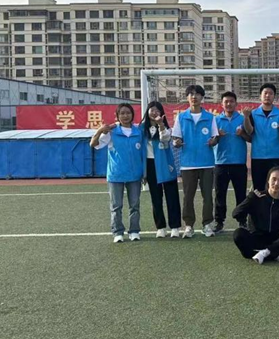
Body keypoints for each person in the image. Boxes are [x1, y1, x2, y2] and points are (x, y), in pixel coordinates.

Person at [90, 103, 145, 243]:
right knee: (116, 206)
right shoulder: (112, 132)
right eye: (122, 113)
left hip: (135, 175)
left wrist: (144, 172)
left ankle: (134, 231)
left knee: (135, 205)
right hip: (116, 174)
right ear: (117, 116)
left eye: (128, 113)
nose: (125, 116)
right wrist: (100, 130)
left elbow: (143, 153)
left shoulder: (138, 132)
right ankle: (118, 232)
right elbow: (94, 144)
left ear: (133, 115)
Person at [173, 84, 220, 238]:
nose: (194, 97)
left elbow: (215, 137)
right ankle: (189, 225)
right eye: (191, 94)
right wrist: (177, 142)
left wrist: (213, 141)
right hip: (187, 164)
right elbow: (176, 138)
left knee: (208, 196)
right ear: (187, 98)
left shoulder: (210, 117)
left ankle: (207, 224)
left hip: (207, 163)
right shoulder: (181, 117)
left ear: (202, 97)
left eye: (197, 94)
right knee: (188, 197)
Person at [232, 166, 279, 264]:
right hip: (256, 238)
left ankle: (266, 252)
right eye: (273, 179)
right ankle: (274, 253)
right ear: (268, 180)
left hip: (275, 240)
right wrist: (250, 199)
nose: (276, 183)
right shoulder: (256, 197)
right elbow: (236, 214)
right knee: (238, 234)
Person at [141, 101, 181, 238]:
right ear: (147, 112)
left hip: (166, 164)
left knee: (172, 196)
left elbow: (165, 139)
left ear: (162, 112)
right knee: (156, 197)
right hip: (150, 165)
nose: (154, 112)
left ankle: (175, 227)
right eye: (152, 110)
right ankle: (160, 227)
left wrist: (161, 125)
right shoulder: (142, 129)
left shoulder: (166, 128)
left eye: (157, 110)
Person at [242, 82, 279, 191]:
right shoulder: (253, 114)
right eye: (265, 93)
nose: (268, 96)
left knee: (275, 188)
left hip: (276, 156)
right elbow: (250, 131)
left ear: (274, 96)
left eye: (271, 93)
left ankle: (275, 203)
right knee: (259, 189)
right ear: (260, 95)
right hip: (258, 156)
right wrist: (246, 117)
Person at [213, 91, 250, 233]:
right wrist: (217, 136)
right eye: (226, 102)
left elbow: (250, 138)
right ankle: (219, 221)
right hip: (220, 163)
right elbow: (211, 141)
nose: (229, 104)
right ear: (221, 104)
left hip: (238, 163)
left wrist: (242, 134)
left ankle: (242, 221)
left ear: (236, 104)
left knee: (241, 194)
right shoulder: (216, 120)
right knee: (220, 195)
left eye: (231, 101)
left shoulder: (242, 119)